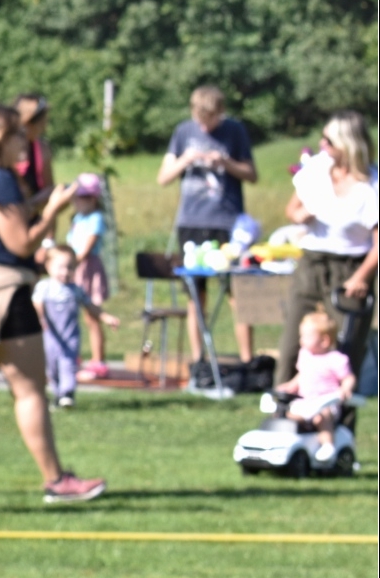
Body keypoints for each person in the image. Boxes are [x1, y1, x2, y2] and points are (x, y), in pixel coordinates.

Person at [0, 105, 104, 505]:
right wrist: (52, 211)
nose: (24, 144)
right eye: (16, 136)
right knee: (29, 390)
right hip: (4, 295)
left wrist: (38, 201)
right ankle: (56, 481)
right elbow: (21, 243)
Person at [276, 111, 377, 387]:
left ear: (348, 143)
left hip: (350, 268)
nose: (322, 144)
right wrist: (300, 216)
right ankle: (285, 404)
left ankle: (338, 410)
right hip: (312, 264)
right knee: (293, 343)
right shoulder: (317, 171)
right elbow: (292, 209)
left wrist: (361, 278)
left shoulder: (371, 185)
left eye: (329, 140)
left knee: (345, 348)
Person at [158, 86, 258, 362]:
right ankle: (198, 360)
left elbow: (251, 174)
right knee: (195, 295)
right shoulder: (183, 132)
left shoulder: (235, 131)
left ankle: (247, 360)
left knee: (238, 292)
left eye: (210, 119)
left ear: (220, 112)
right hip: (191, 222)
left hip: (227, 222)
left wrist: (225, 162)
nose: (205, 126)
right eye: (200, 119)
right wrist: (186, 159)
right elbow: (163, 177)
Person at [32, 245, 118, 410]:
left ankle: (68, 393)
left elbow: (90, 306)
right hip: (50, 338)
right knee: (52, 369)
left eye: (70, 267)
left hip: (70, 338)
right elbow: (37, 304)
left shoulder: (76, 290)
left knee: (68, 365)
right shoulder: (44, 287)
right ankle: (58, 395)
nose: (65, 272)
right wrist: (40, 318)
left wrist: (106, 317)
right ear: (48, 266)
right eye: (61, 267)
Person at [284, 308, 357, 461]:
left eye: (306, 336)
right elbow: (302, 374)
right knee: (285, 413)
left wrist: (345, 389)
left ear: (324, 340)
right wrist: (291, 385)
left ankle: (328, 445)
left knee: (321, 416)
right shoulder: (305, 355)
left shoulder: (335, 359)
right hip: (305, 402)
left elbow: (348, 378)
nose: (301, 340)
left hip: (326, 404)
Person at [66, 173, 115, 379]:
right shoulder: (78, 219)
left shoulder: (96, 219)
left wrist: (70, 264)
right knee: (70, 315)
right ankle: (73, 355)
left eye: (82, 197)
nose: (77, 201)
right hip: (74, 269)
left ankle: (98, 361)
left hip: (88, 269)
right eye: (76, 197)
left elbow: (86, 248)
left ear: (93, 199)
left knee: (92, 316)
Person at [13, 93, 55, 201]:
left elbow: (49, 189)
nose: (45, 126)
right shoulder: (2, 148)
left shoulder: (42, 149)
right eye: (43, 121)